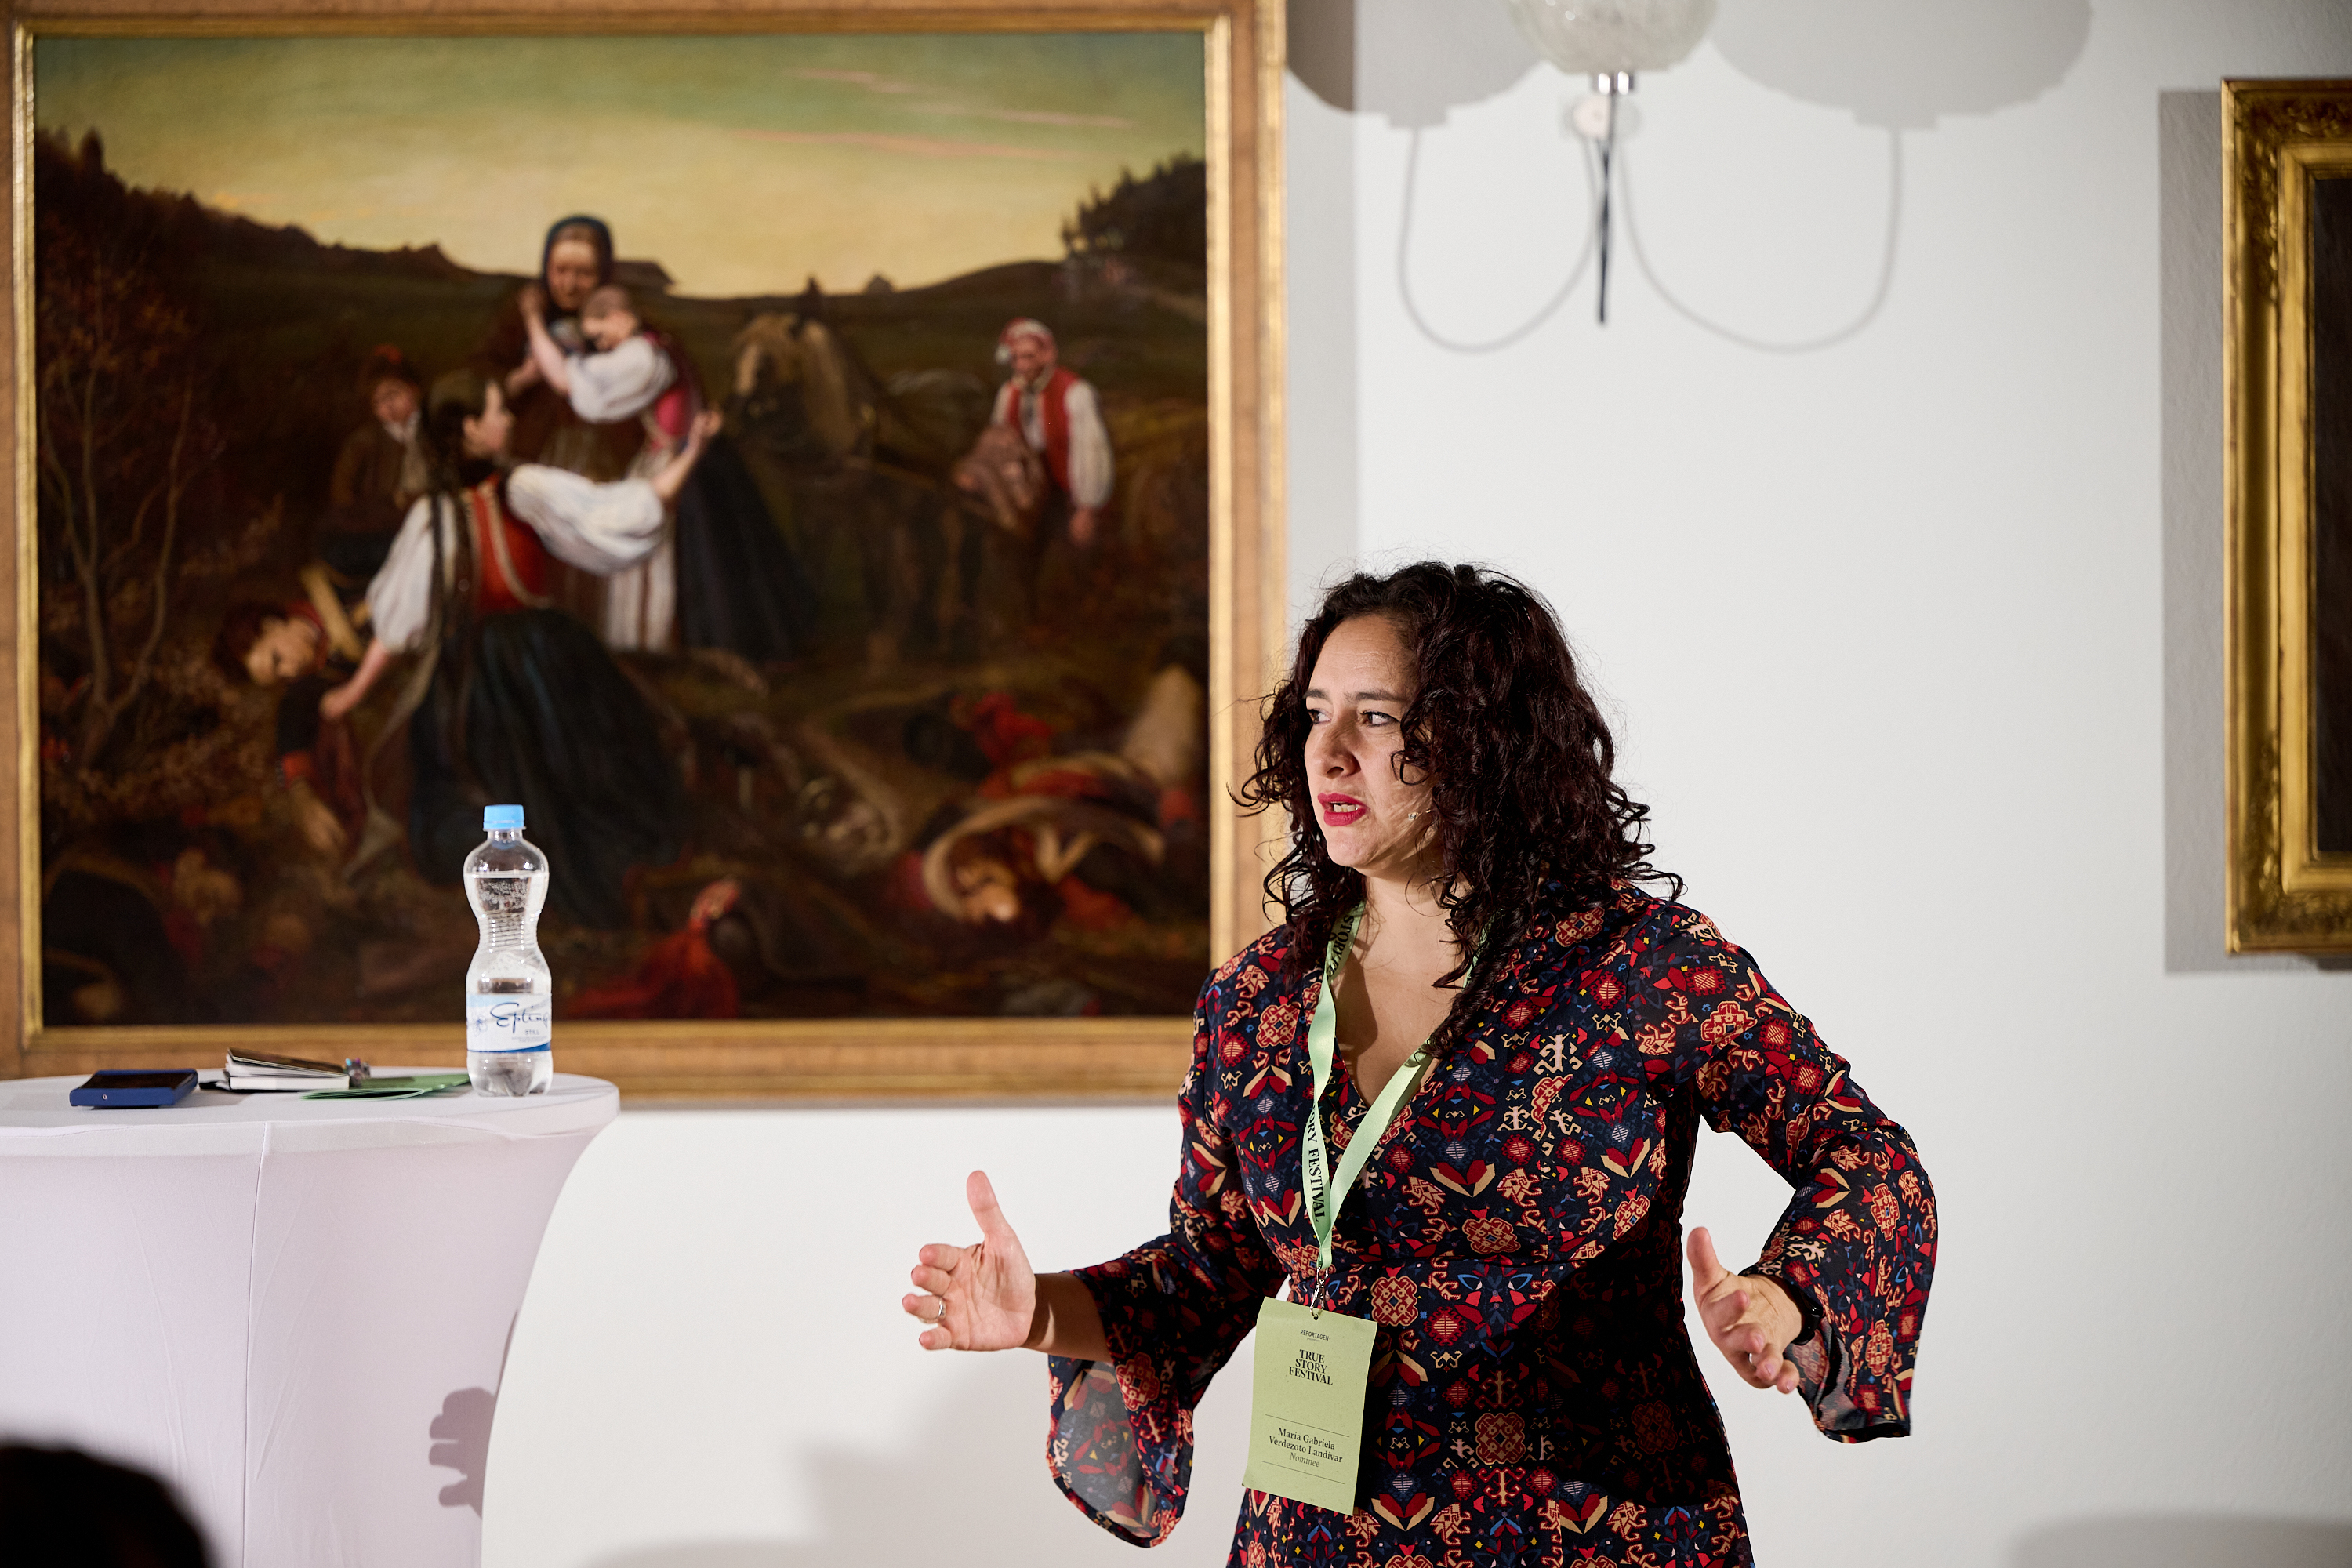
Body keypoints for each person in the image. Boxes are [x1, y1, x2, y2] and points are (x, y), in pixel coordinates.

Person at [902, 564, 1936, 1566]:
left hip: (1600, 1529)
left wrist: (1785, 1293)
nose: (1328, 752)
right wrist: (1035, 1309)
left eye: (1376, 717)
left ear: (1484, 738)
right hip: (1319, 1538)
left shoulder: (1640, 965)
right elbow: (1205, 1279)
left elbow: (1865, 1151)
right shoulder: (1255, 1000)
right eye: (1315, 714)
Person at [321, 368, 722, 928]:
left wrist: (693, 450)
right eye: (497, 411)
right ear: (469, 428)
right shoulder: (446, 513)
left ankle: (593, 877)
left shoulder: (513, 491)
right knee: (512, 782)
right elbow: (400, 620)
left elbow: (621, 510)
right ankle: (559, 884)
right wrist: (354, 692)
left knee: (584, 770)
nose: (508, 420)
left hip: (522, 662)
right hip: (498, 673)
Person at [521, 281, 813, 661]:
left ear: (620, 318)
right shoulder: (660, 345)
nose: (602, 346)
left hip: (678, 463)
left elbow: (568, 382)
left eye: (602, 335)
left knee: (654, 552)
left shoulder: (642, 357)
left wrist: (533, 319)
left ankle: (658, 654)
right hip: (694, 460)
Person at [320, 345, 430, 585]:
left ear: (413, 390)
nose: (387, 405)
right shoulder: (363, 444)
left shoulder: (433, 433)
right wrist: (390, 506)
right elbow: (343, 501)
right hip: (382, 532)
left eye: (394, 394)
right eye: (379, 401)